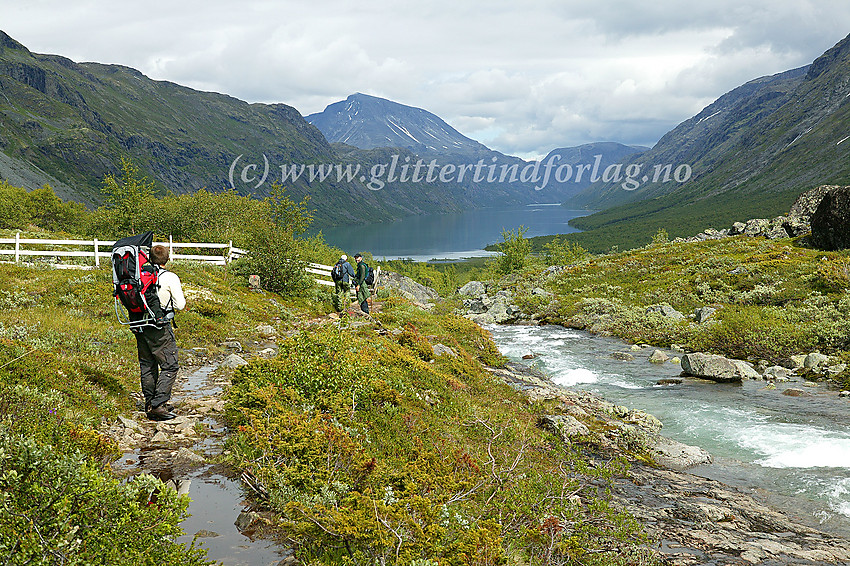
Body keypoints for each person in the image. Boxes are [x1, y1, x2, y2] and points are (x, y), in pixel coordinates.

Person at [133, 244, 186, 421]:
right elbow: (180, 305)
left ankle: (150, 403)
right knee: (169, 364)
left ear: (150, 258)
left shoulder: (140, 274)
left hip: (139, 323)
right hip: (159, 325)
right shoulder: (170, 277)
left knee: (147, 364)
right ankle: (158, 405)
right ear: (167, 259)